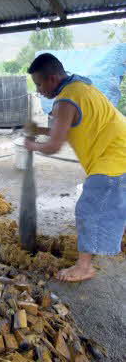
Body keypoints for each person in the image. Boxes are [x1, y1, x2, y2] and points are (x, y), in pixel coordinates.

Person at [25, 53, 126, 282]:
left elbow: (53, 146)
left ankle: (84, 267)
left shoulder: (65, 100)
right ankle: (115, 238)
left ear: (52, 78)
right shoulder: (81, 86)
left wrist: (31, 144)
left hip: (113, 157)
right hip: (121, 147)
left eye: (39, 84)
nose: (39, 90)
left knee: (89, 208)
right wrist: (39, 131)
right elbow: (64, 129)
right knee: (117, 201)